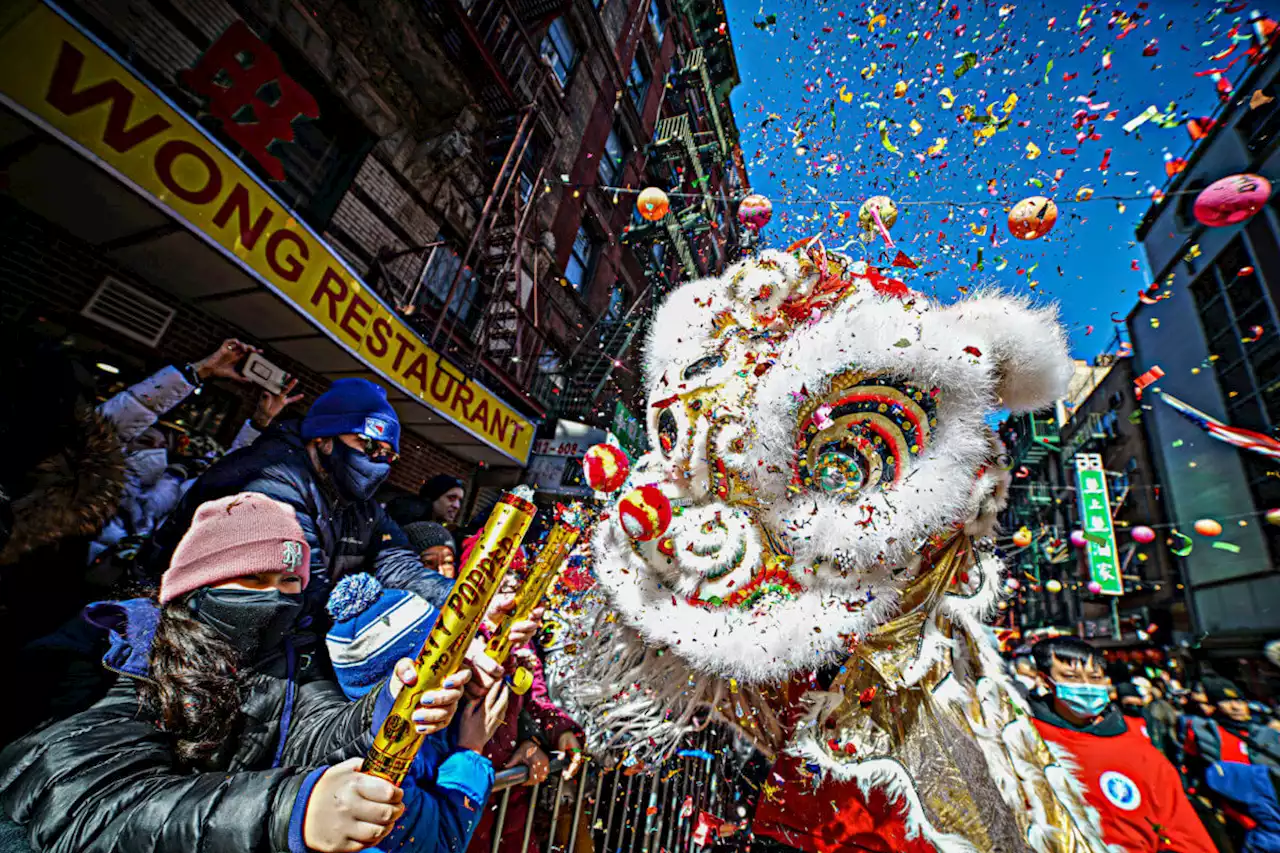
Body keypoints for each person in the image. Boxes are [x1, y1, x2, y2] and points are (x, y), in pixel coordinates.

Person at [0, 493, 469, 853]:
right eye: (252, 579)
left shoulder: (289, 650)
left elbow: (315, 729)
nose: (275, 597)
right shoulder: (123, 652)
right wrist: (290, 809)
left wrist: (390, 702)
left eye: (289, 581)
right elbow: (91, 806)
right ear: (199, 584)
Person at [146, 377, 453, 617]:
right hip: (175, 630)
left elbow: (397, 562)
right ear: (324, 438)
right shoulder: (269, 480)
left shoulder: (358, 504)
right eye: (370, 446)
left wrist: (459, 603)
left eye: (389, 456)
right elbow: (304, 595)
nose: (379, 462)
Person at [326, 573, 508, 853]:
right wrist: (470, 751)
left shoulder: (435, 723)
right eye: (447, 657)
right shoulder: (386, 762)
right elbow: (436, 845)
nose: (462, 668)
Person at [1028, 636, 1216, 853]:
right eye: (1071, 677)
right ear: (1044, 680)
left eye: (1095, 677)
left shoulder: (1141, 751)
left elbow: (1186, 837)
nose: (1086, 686)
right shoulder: (1023, 737)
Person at [386, 474, 467, 531]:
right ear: (433, 496)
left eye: (459, 500)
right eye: (451, 498)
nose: (457, 506)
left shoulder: (434, 526)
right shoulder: (407, 516)